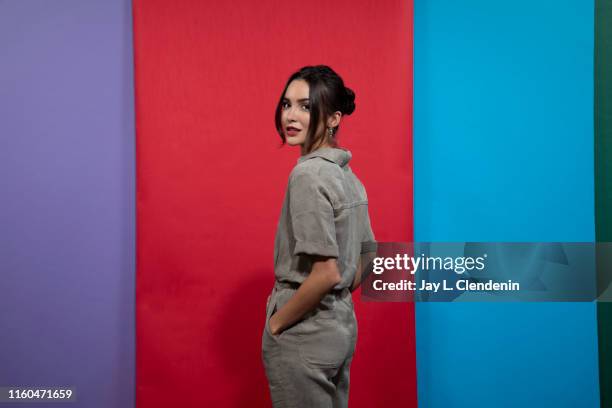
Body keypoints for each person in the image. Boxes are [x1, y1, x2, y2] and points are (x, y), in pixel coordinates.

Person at [261, 65, 377, 408]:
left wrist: (278, 323)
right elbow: (369, 253)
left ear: (333, 118)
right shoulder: (347, 175)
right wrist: (339, 294)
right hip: (339, 327)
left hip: (304, 334)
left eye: (306, 106)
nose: (291, 116)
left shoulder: (308, 175)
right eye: (286, 104)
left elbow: (325, 272)